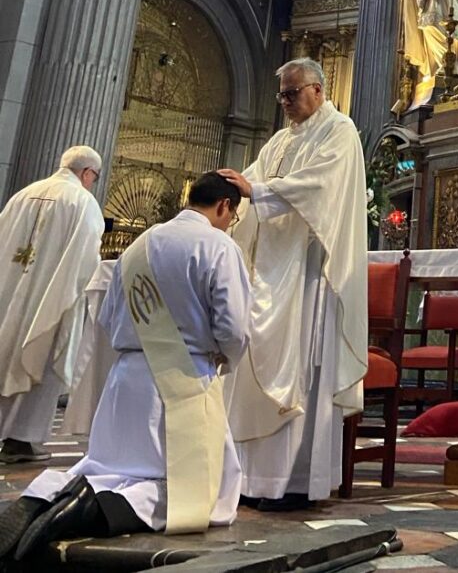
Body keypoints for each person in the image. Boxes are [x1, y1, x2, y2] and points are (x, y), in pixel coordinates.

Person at [0, 172, 250, 560]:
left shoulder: (140, 245)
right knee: (193, 490)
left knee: (107, 468)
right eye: (231, 217)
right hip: (179, 384)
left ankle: (44, 497)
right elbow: (233, 324)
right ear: (224, 206)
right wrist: (225, 355)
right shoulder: (218, 246)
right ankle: (85, 510)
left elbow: (110, 315)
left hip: (125, 382)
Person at [219, 57, 368, 512]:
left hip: (308, 272)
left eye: (292, 92)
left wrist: (255, 191)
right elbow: (254, 181)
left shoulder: (340, 131)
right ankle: (252, 479)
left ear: (319, 90)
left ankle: (293, 482)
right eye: (281, 94)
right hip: (270, 268)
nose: (284, 102)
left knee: (300, 369)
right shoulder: (280, 140)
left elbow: (318, 188)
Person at [0, 146, 104, 463]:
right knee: (41, 358)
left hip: (8, 296)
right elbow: (87, 261)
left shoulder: (23, 194)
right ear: (87, 173)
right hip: (49, 301)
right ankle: (21, 439)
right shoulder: (83, 202)